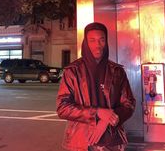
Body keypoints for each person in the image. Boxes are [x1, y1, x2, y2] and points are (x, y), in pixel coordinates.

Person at [56, 22, 136, 151]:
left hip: (112, 141)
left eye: (101, 40)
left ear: (106, 42)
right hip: (80, 142)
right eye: (92, 40)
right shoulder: (72, 71)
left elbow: (129, 103)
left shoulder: (117, 71)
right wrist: (97, 113)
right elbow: (62, 108)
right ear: (86, 43)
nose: (97, 45)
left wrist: (109, 118)